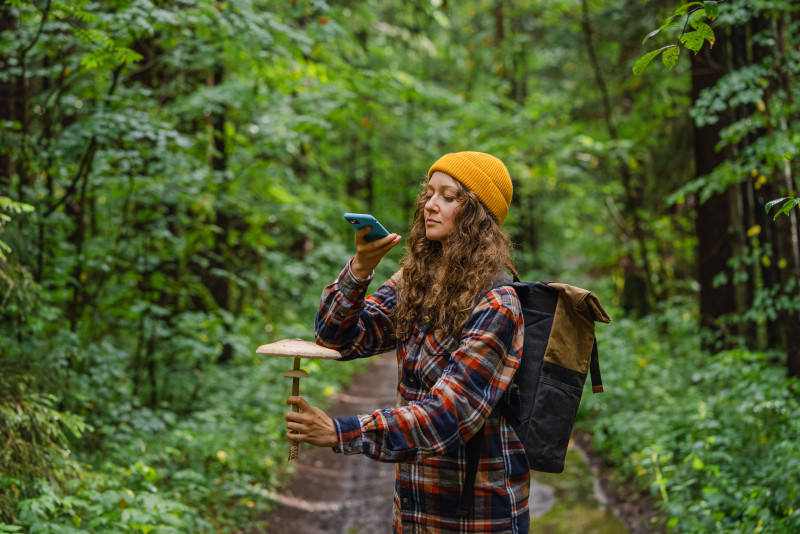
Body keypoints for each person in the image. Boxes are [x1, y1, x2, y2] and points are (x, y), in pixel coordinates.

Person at [285, 151, 529, 533]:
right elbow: (338, 339)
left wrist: (341, 431)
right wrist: (361, 267)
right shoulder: (414, 280)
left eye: (449, 197)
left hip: (477, 517)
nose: (430, 205)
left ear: (477, 216)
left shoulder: (498, 302)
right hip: (414, 511)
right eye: (429, 193)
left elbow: (448, 416)